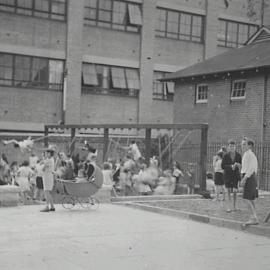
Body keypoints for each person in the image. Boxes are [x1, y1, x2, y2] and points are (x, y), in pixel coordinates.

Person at [240, 138, 259, 226]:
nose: (242, 146)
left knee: (246, 198)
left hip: (249, 177)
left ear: (249, 145)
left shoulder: (250, 154)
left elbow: (251, 168)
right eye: (242, 144)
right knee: (250, 199)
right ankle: (254, 217)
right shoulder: (246, 154)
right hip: (247, 176)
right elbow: (246, 166)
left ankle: (253, 218)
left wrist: (245, 178)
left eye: (244, 144)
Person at [221, 140, 242, 213]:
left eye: (233, 146)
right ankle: (228, 207)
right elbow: (222, 166)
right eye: (230, 146)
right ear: (228, 147)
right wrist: (230, 166)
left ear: (235, 147)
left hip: (235, 175)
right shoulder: (225, 156)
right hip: (227, 175)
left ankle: (235, 206)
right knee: (228, 191)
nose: (232, 147)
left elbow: (241, 165)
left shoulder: (239, 155)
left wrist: (238, 165)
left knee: (235, 191)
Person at [40, 148, 55, 212]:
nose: (45, 154)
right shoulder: (50, 159)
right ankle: (52, 206)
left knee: (46, 192)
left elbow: (43, 168)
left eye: (46, 153)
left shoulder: (48, 160)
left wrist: (43, 162)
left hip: (47, 177)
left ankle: (47, 206)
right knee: (48, 192)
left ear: (49, 153)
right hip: (48, 176)